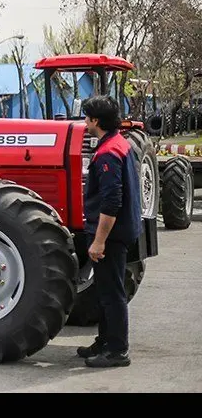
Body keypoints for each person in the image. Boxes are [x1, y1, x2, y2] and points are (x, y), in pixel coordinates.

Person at [77, 95, 141, 368]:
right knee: (105, 290)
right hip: (121, 230)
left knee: (112, 293)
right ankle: (104, 341)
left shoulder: (107, 154)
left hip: (111, 236)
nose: (85, 122)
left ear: (95, 121)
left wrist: (99, 241)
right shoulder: (119, 143)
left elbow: (111, 202)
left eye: (87, 117)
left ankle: (117, 350)